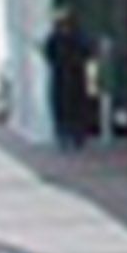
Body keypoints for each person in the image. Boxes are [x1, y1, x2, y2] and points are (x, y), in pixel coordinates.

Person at [41, 9, 98, 149]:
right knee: (61, 107)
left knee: (77, 106)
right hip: (60, 76)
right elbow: (48, 54)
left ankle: (77, 135)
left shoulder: (79, 36)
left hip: (76, 76)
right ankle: (63, 134)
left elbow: (88, 52)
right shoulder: (54, 38)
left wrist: (77, 60)